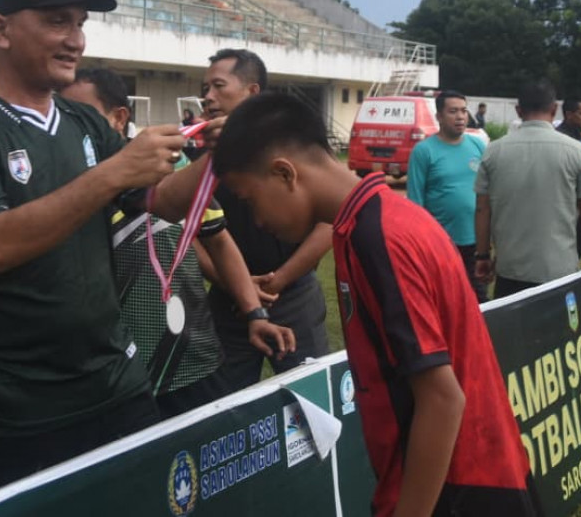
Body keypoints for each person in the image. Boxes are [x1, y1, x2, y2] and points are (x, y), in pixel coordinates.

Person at [0, 0, 213, 494]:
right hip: (19, 410)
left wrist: (223, 156)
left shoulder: (83, 122)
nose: (75, 40)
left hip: (116, 385)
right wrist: (112, 173)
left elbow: (161, 201)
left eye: (79, 24)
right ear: (1, 30)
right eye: (57, 21)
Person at [212, 93, 539, 517]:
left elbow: (442, 399)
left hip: (458, 489)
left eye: (249, 201)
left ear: (284, 173)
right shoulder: (373, 220)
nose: (256, 221)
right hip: (453, 479)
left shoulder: (379, 237)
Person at [61, 68, 294, 417]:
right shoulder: (63, 182)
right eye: (65, 116)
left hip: (192, 352)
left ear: (119, 117)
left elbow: (216, 239)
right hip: (116, 367)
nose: (71, 127)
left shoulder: (176, 164)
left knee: (205, 443)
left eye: (82, 115)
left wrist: (254, 313)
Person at [200, 48, 331, 390]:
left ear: (252, 91)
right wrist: (237, 285)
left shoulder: (290, 143)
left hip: (295, 294)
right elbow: (191, 232)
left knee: (312, 392)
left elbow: (328, 221)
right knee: (224, 405)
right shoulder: (198, 155)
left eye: (218, 86)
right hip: (228, 301)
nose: (208, 97)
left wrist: (279, 281)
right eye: (205, 89)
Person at [473, 81, 581, 299]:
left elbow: (482, 209)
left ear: (518, 110)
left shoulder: (493, 151)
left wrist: (483, 255)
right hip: (559, 271)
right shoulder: (577, 151)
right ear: (554, 109)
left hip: (510, 270)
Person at [406, 89, 488, 302]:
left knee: (479, 303)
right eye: (453, 111)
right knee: (447, 301)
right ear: (439, 117)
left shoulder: (478, 145)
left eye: (463, 110)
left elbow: (489, 194)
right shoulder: (423, 151)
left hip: (476, 243)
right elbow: (415, 204)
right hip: (441, 244)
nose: (460, 116)